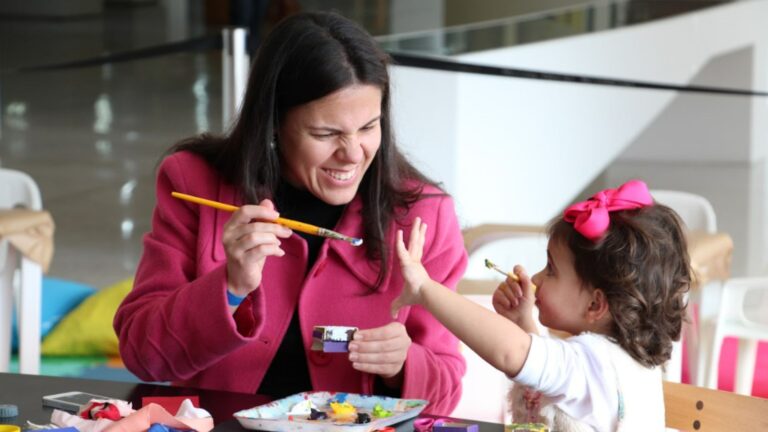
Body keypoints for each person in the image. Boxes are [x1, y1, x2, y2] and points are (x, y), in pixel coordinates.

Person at [114, 11, 468, 415]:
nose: (352, 153)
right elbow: (143, 356)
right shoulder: (194, 183)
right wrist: (230, 286)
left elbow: (446, 395)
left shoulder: (424, 216)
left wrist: (404, 365)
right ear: (273, 124)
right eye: (326, 134)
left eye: (369, 127)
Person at [392, 180, 691, 430]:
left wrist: (425, 288)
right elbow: (546, 369)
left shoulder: (592, 364)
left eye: (551, 269)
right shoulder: (620, 360)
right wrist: (524, 321)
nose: (536, 277)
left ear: (595, 304)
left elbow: (513, 352)